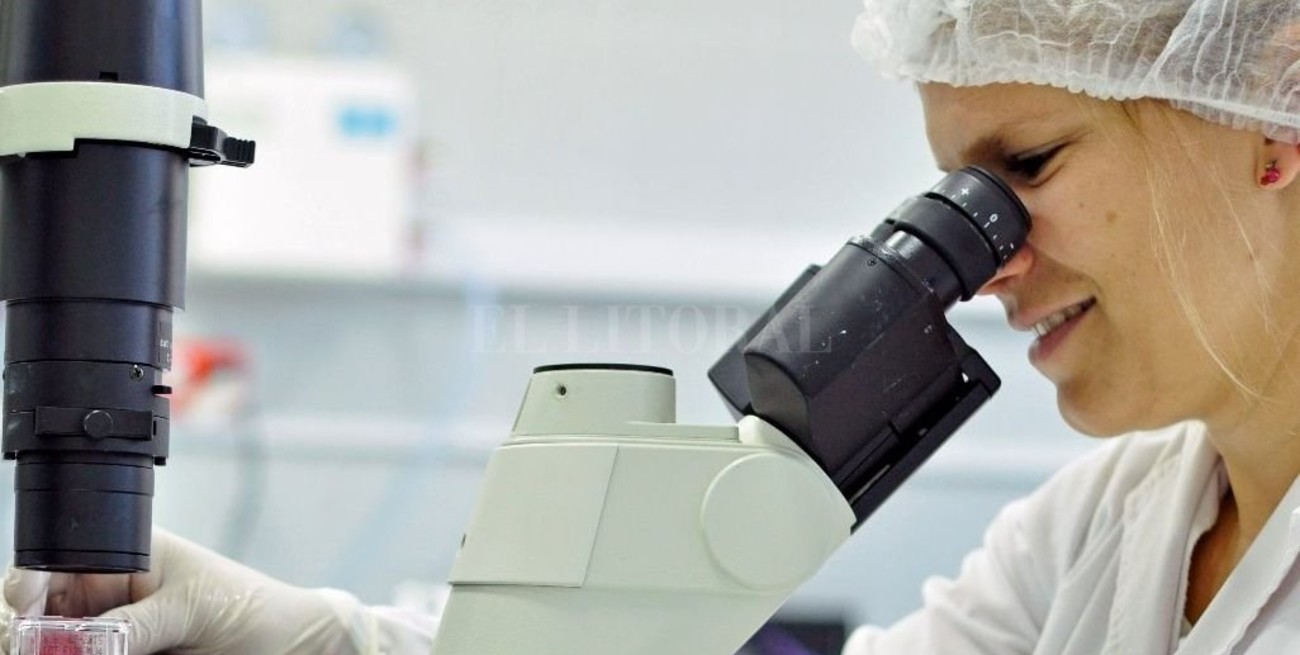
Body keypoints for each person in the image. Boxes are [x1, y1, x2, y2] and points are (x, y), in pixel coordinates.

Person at [3, 0, 1299, 653]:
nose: (984, 262)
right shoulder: (1100, 529)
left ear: (1264, 115)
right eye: (961, 193)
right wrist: (321, 644)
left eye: (1027, 164)